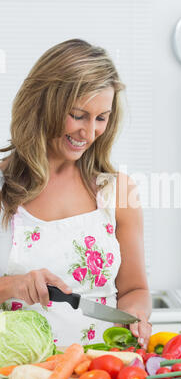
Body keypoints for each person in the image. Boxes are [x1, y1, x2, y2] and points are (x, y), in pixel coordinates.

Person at [0, 38, 152, 349]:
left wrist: (136, 315)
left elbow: (135, 288)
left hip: (101, 373)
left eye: (101, 118)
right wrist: (14, 286)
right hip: (20, 376)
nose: (89, 132)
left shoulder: (117, 190)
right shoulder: (4, 185)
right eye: (78, 115)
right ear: (43, 106)